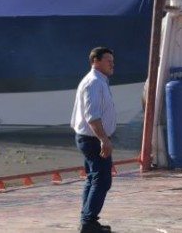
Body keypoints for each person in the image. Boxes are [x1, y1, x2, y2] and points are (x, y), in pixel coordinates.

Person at [71, 47, 117, 233]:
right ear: (95, 61)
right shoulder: (94, 83)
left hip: (91, 138)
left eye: (113, 61)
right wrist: (104, 140)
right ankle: (88, 222)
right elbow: (92, 117)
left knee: (94, 179)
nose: (112, 64)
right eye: (108, 60)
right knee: (102, 180)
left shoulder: (100, 82)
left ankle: (87, 220)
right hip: (92, 139)